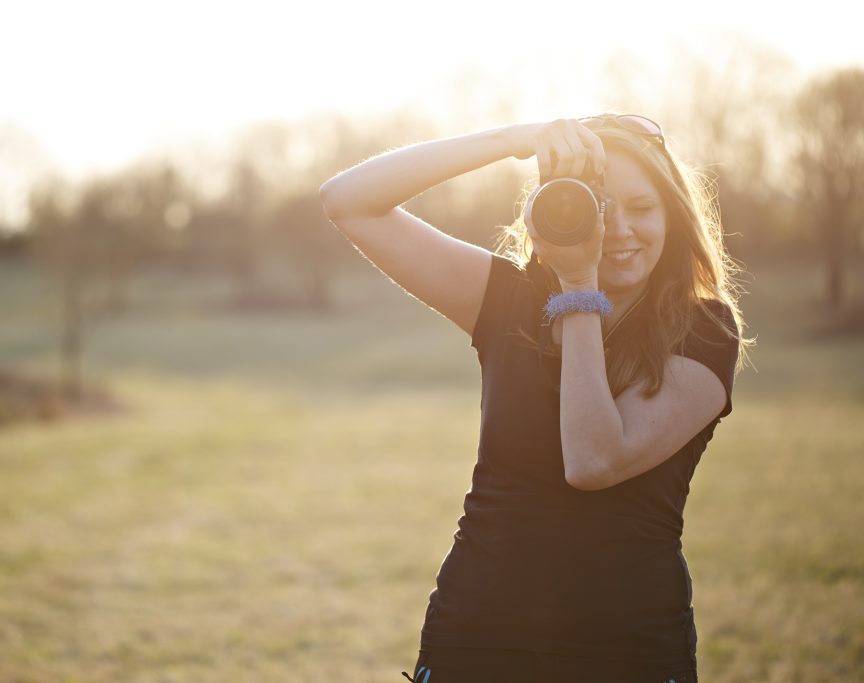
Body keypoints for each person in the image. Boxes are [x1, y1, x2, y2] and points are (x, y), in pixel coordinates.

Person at [318, 114, 752, 683]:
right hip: (475, 641)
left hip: (628, 651)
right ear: (552, 208)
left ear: (673, 213)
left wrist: (579, 288)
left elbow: (594, 460)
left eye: (642, 208)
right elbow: (348, 201)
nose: (617, 230)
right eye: (598, 208)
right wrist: (513, 140)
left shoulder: (704, 330)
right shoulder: (506, 300)